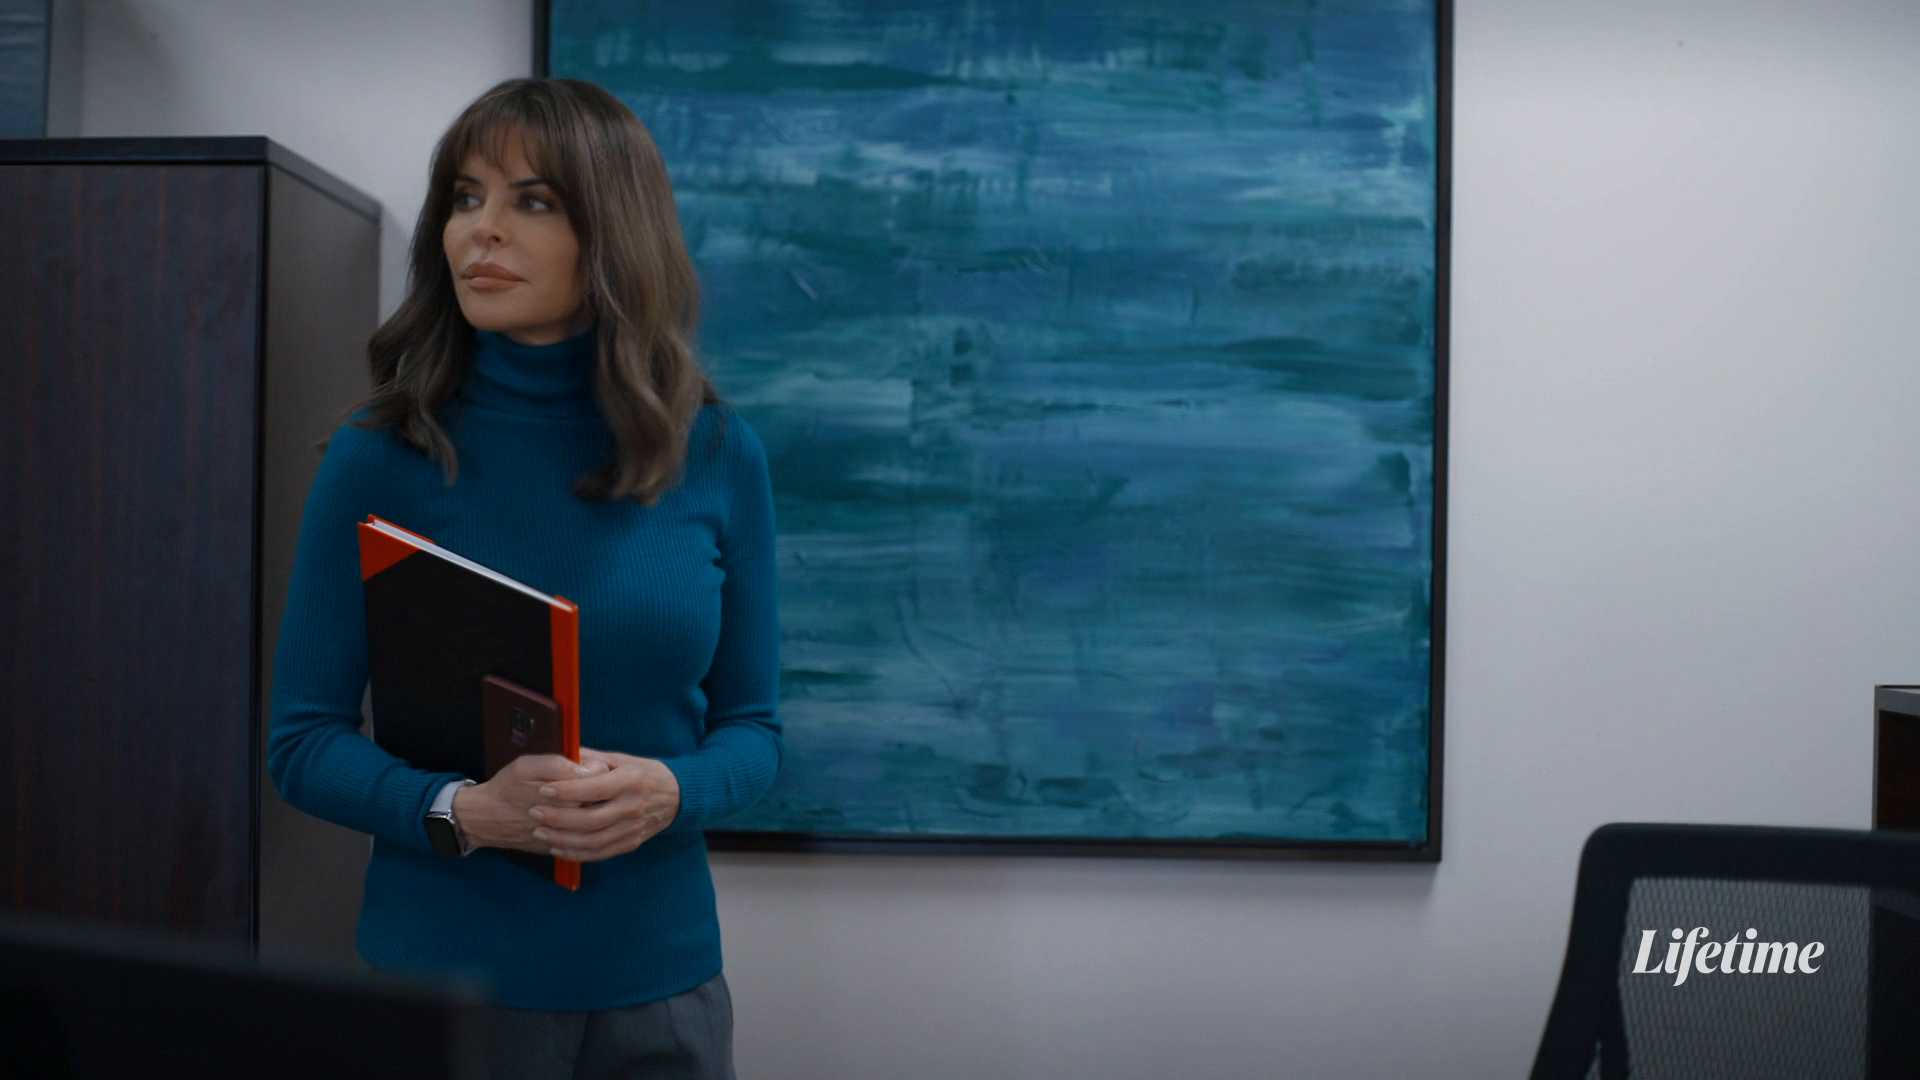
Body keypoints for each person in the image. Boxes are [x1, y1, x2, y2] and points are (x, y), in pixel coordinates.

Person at [266, 76, 780, 1080]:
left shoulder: (719, 452)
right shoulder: (381, 452)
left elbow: (754, 730)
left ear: (613, 233)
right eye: (466, 197)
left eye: (530, 201)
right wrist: (462, 812)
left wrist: (673, 790)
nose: (481, 231)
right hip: (444, 991)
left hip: (665, 991)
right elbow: (303, 743)